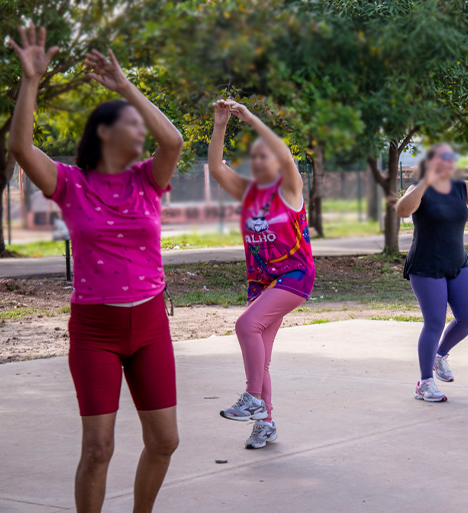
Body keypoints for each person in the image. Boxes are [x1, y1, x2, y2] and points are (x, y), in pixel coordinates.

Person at [7, 24, 183, 512]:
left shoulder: (148, 179)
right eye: (131, 123)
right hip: (95, 329)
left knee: (165, 440)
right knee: (98, 447)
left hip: (149, 323)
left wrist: (126, 87)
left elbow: (173, 141)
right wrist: (31, 81)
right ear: (104, 132)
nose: (141, 131)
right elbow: (21, 150)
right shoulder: (70, 183)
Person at [208, 99, 315, 448]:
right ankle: (265, 423)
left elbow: (284, 153)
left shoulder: (289, 190)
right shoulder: (249, 193)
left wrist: (250, 118)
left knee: (245, 325)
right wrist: (221, 124)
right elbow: (215, 168)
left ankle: (253, 398)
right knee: (262, 358)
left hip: (295, 276)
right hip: (264, 283)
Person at [395, 144, 468, 402]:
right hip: (426, 265)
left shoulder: (460, 188)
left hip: (457, 262)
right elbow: (402, 210)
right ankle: (424, 382)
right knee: (434, 322)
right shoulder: (418, 189)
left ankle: (440, 354)